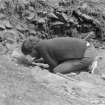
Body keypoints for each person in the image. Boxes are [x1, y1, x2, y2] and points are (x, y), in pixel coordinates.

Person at [21, 36, 97, 74]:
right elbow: (53, 58)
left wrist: (38, 64)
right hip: (89, 48)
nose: (31, 56)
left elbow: (53, 66)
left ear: (32, 49)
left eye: (29, 54)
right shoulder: (43, 44)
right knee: (61, 65)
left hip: (87, 54)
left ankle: (88, 65)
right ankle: (88, 63)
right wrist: (39, 60)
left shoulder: (41, 47)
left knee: (57, 70)